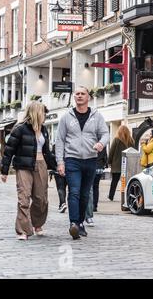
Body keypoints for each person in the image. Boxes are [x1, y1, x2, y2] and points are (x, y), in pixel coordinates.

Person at [56, 86, 109, 240]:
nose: (79, 96)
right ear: (74, 97)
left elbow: (105, 133)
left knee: (85, 194)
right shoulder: (66, 117)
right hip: (72, 159)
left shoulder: (96, 116)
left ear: (88, 97)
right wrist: (60, 162)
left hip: (91, 160)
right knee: (74, 191)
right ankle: (73, 223)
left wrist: (101, 143)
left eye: (82, 94)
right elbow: (59, 141)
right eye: (77, 94)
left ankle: (80, 223)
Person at [0, 102, 56, 240]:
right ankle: (23, 230)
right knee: (23, 198)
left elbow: (47, 152)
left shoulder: (43, 129)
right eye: (43, 113)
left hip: (41, 165)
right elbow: (8, 151)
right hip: (23, 166)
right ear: (36, 113)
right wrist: (4, 171)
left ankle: (37, 224)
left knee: (41, 198)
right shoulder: (19, 129)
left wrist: (56, 167)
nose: (45, 116)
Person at [108, 125, 135, 201]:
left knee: (114, 181)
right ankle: (128, 196)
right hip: (127, 165)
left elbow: (111, 152)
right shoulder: (131, 141)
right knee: (127, 182)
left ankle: (111, 196)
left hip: (116, 165)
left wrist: (109, 162)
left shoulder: (116, 140)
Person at [84, 147, 107, 227]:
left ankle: (88, 214)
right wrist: (104, 164)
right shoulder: (102, 145)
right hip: (99, 167)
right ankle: (95, 206)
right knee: (95, 187)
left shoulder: (99, 143)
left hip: (93, 166)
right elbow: (105, 157)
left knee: (90, 189)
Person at [50, 144, 68, 213]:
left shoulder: (56, 146)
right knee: (65, 188)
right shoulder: (69, 145)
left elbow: (51, 157)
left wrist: (54, 167)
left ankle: (62, 203)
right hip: (68, 170)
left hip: (58, 170)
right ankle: (62, 204)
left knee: (61, 188)